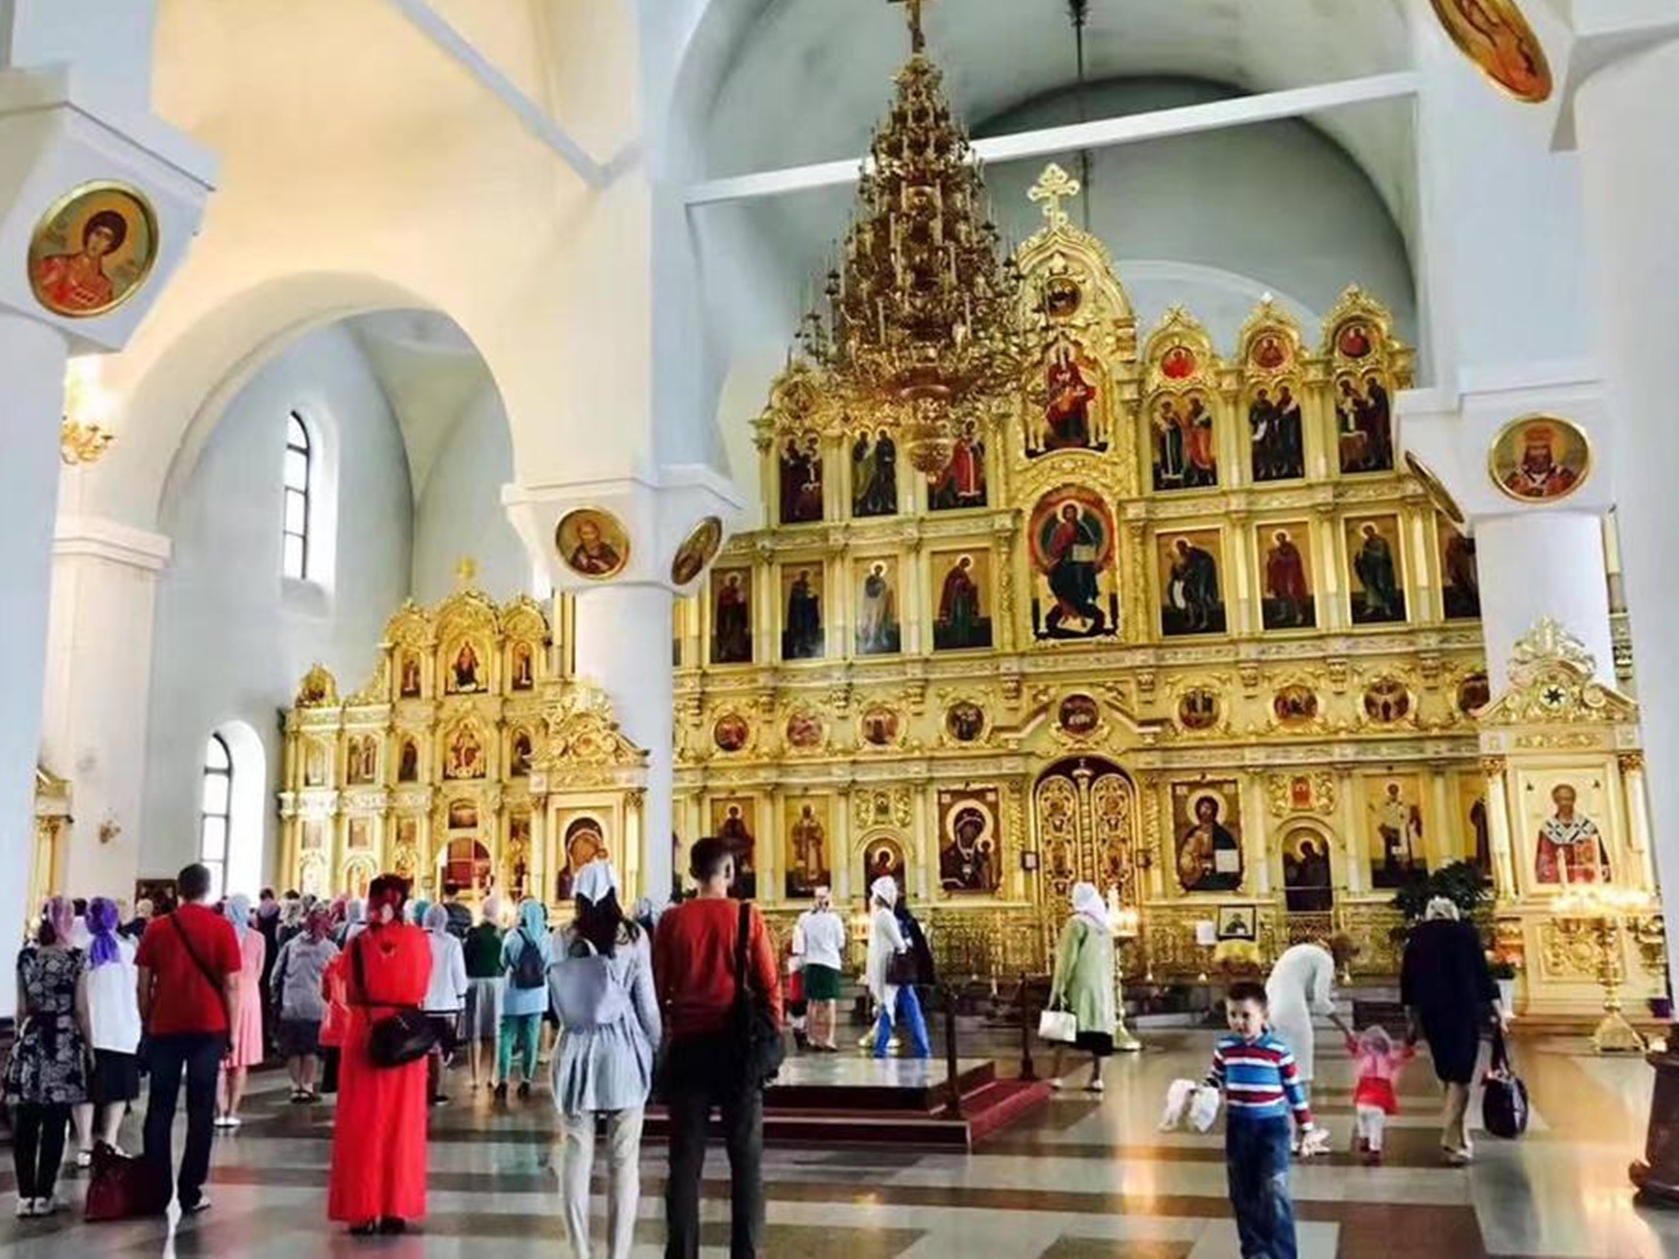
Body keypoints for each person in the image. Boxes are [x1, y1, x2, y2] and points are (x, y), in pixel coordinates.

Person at [655, 836, 783, 1259]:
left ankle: (681, 1252)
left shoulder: (672, 921)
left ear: (692, 874)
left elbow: (657, 989)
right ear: (729, 872)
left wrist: (663, 1038)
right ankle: (745, 1252)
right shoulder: (747, 916)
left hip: (688, 1050)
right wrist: (771, 1037)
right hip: (738, 1051)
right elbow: (769, 985)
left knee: (684, 1164)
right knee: (746, 1163)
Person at [549, 862, 661, 1259]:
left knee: (575, 1154)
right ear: (614, 891)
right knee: (624, 1161)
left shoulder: (561, 937)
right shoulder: (634, 937)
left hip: (576, 1050)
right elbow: (647, 1005)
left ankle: (580, 1252)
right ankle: (618, 1254)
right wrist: (656, 1048)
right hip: (623, 1051)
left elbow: (556, 999)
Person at [328, 875, 432, 1235]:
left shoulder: (357, 944)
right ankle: (395, 1207)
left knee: (362, 1124)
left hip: (366, 1033)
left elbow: (341, 986)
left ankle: (362, 1209)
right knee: (402, 1125)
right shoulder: (419, 940)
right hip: (404, 1036)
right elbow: (423, 984)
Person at [137, 863, 243, 1216]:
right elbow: (231, 985)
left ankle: (156, 1191)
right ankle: (190, 1191)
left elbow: (143, 984)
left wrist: (147, 1021)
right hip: (208, 1027)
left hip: (165, 1026)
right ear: (208, 890)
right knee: (201, 1110)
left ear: (179, 890)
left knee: (159, 1108)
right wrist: (232, 1030)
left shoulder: (157, 928)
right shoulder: (222, 928)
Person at [1205, 982, 1318, 1259]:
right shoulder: (1225, 1047)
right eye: (1233, 1014)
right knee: (1242, 1192)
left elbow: (1294, 1090)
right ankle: (1255, 1251)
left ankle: (1282, 1253)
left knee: (1273, 1190)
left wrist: (1306, 1128)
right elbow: (1215, 1078)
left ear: (1264, 1015)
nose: (1238, 1022)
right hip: (1238, 1127)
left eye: (1246, 1015)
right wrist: (1202, 1092)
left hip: (1272, 1129)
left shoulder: (1278, 1050)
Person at [1401, 897, 1502, 1165]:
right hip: (1462, 1009)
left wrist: (1411, 1022)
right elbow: (1482, 975)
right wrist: (1499, 1012)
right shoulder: (1466, 933)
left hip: (1431, 1011)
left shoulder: (1417, 936)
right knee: (1461, 1076)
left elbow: (1407, 982)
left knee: (1446, 1071)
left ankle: (1460, 1132)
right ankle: (1450, 1136)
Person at [6, 898, 90, 1217]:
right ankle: (44, 1195)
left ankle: (24, 1196)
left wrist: (20, 1041)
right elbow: (81, 1009)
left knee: (26, 1122)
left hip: (32, 1042)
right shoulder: (76, 958)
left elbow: (20, 1008)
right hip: (63, 1043)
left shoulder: (26, 956)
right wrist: (90, 1047)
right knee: (55, 1123)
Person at [72, 897, 141, 1168]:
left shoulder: (81, 952)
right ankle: (110, 1142)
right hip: (122, 1029)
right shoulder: (129, 950)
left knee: (85, 1091)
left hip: (90, 1030)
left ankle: (85, 1146)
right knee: (118, 1090)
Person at [1264, 937, 1355, 1111]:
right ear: (1342, 951)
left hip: (1270, 1006)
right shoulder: (1325, 959)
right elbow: (1321, 1001)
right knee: (1301, 1065)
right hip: (1291, 1009)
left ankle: (1276, 1107)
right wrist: (1345, 1029)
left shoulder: (1303, 950)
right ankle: (1300, 1112)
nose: (1347, 962)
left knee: (1279, 1061)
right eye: (1348, 956)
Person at [1047, 883, 1117, 1093]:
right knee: (1099, 1036)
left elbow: (1066, 959)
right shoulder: (1104, 925)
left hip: (1079, 985)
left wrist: (1059, 988)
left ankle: (1057, 1076)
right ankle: (1097, 1078)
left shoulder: (1076, 923)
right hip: (1101, 987)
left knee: (1064, 1030)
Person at [270, 904, 338, 1103]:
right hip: (317, 1006)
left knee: (293, 1050)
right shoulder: (330, 948)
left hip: (291, 1004)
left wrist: (276, 999)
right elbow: (338, 977)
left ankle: (296, 1087)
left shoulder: (291, 946)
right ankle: (307, 1087)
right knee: (311, 1049)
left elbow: (275, 976)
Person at [216, 894, 266, 1129]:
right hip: (249, 999)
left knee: (220, 1062)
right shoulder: (258, 939)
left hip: (222, 997)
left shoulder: (220, 935)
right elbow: (259, 972)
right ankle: (232, 1112)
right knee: (241, 1060)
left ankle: (219, 1111)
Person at [865, 877, 930, 1060]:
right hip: (894, 971)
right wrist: (909, 942)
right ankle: (918, 1047)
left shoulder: (878, 915)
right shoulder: (886, 916)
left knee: (895, 1007)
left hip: (891, 971)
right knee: (896, 1009)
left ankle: (886, 1048)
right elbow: (899, 944)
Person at [498, 898, 552, 1101]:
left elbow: (503, 961)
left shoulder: (512, 936)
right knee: (531, 1037)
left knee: (506, 1036)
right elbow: (549, 964)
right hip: (537, 994)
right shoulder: (546, 938)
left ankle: (503, 1080)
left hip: (513, 992)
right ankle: (526, 1080)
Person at [1345, 1024, 1415, 1166]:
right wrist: (1409, 1043)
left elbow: (1352, 1046)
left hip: (1362, 1098)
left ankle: (1364, 1137)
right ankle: (1374, 1150)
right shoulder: (1389, 1060)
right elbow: (1404, 1056)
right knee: (1376, 1126)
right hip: (1378, 1099)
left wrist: (1348, 1034)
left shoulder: (1362, 1056)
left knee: (1362, 1119)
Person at [421, 903, 467, 1106]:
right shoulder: (452, 943)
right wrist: (461, 997)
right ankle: (437, 1091)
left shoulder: (418, 940)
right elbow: (459, 975)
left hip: (421, 1003)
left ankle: (420, 1089)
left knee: (420, 1048)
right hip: (446, 1004)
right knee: (440, 1050)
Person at [792, 888, 847, 1053]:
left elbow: (799, 941)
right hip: (829, 962)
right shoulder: (834, 919)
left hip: (811, 961)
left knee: (812, 1001)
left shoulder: (804, 918)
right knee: (829, 1002)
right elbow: (840, 943)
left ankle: (811, 1038)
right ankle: (829, 1039)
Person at [462, 895, 505, 1090]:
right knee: (495, 1031)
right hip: (496, 983)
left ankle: (474, 1077)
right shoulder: (501, 935)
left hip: (474, 983)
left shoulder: (473, 934)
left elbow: (465, 959)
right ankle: (493, 1076)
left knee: (475, 1031)